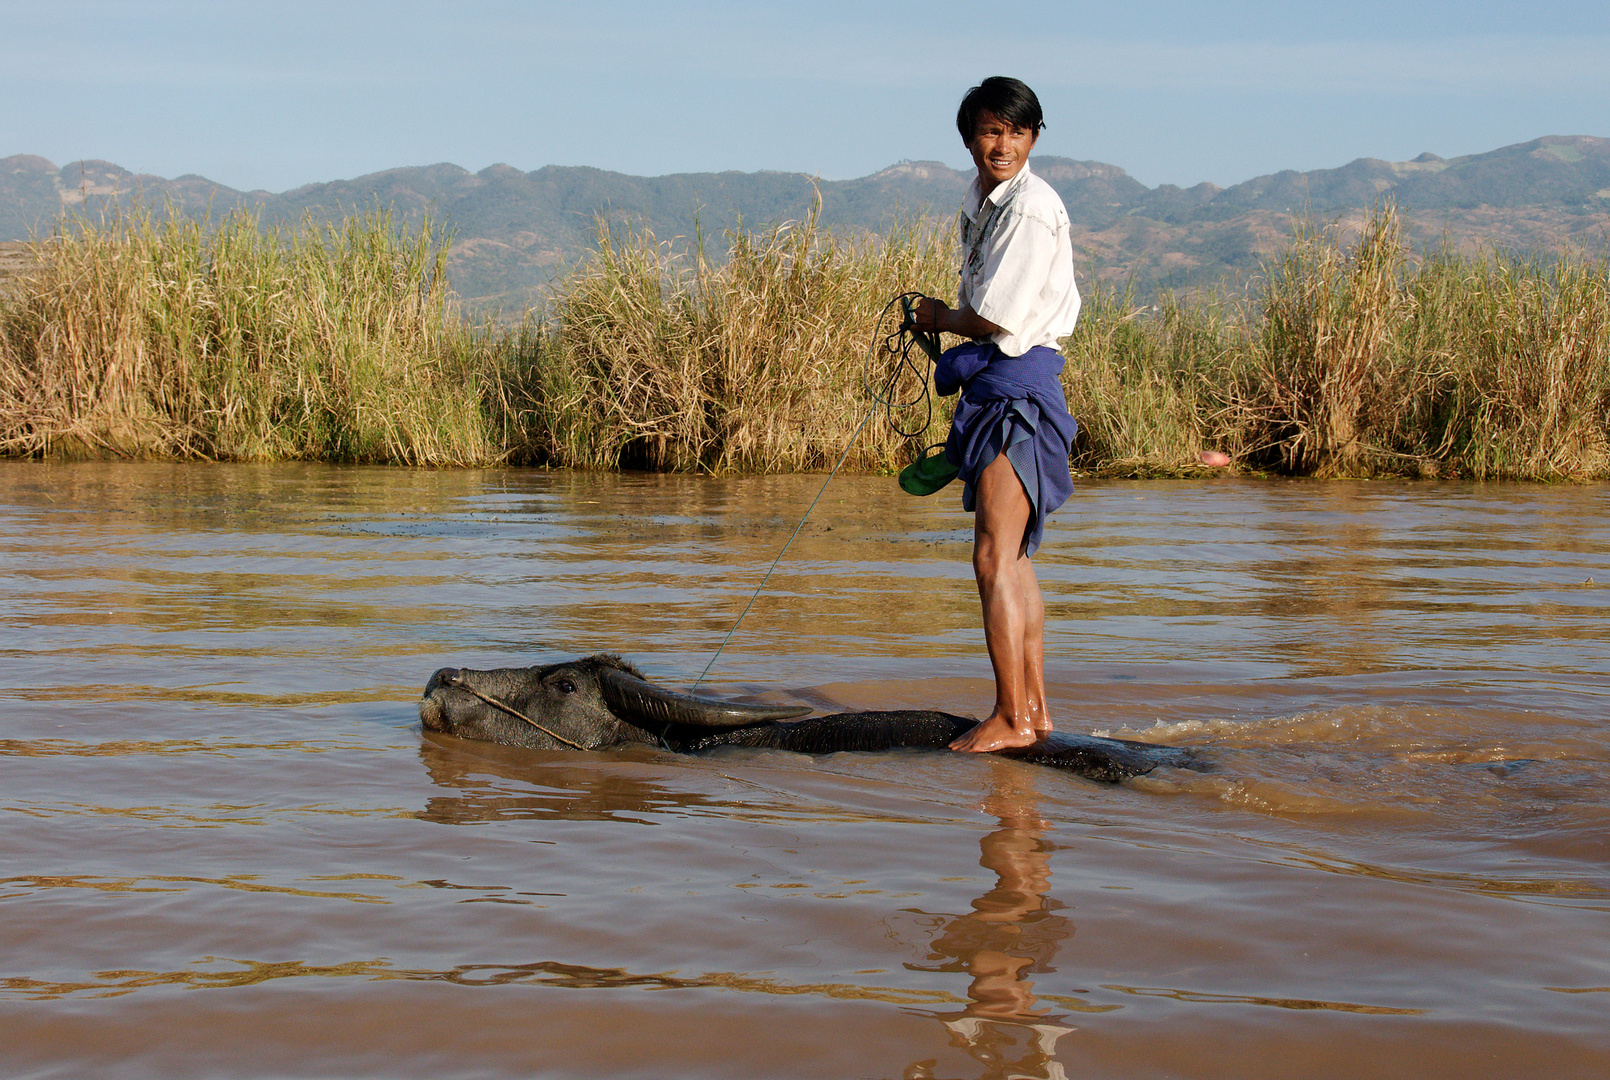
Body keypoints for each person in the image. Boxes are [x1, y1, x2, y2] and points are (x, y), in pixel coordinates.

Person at [909, 76, 1081, 753]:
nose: (1002, 144)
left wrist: (938, 318)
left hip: (1018, 386)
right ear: (970, 139)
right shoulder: (981, 202)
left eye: (1015, 132)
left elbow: (995, 317)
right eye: (989, 131)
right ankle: (1032, 711)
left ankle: (1012, 717)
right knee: (1009, 557)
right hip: (998, 382)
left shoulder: (1032, 209)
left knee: (991, 558)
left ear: (1033, 137)